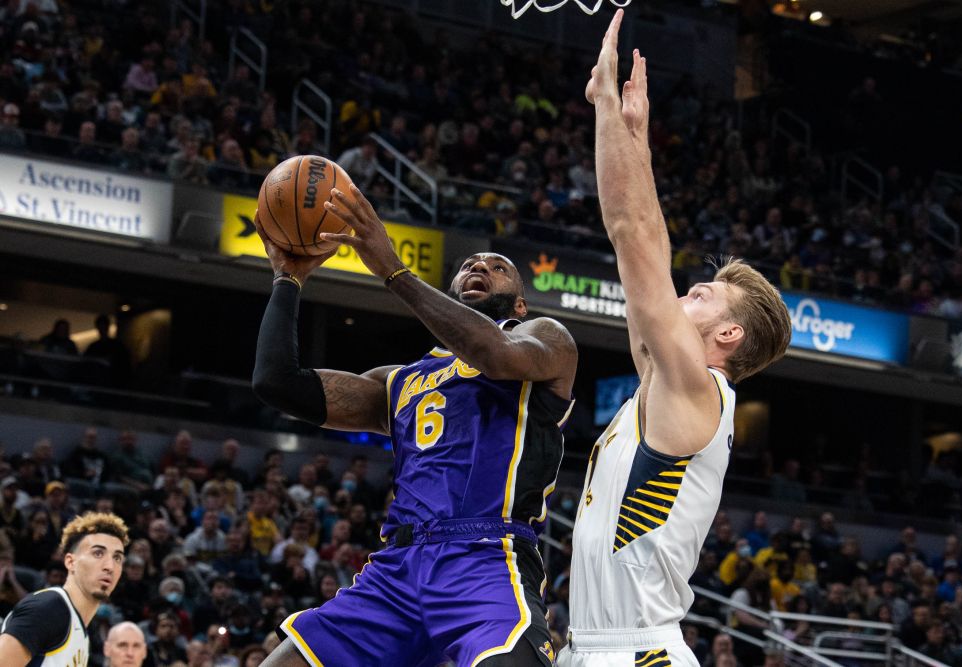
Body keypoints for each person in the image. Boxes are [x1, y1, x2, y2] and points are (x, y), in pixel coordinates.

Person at [252, 183, 577, 666]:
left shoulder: (544, 338)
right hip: (397, 570)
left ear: (521, 305)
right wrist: (287, 279)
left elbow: (494, 354)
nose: (479, 268)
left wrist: (392, 269)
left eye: (497, 267)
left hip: (486, 558)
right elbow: (277, 382)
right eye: (469, 265)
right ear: (448, 291)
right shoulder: (400, 382)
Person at [558, 11, 791, 667]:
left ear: (728, 333)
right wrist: (638, 144)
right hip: (593, 648)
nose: (685, 291)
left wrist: (603, 106)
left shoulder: (698, 392)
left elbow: (632, 239)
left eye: (703, 294)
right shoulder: (658, 384)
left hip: (639, 655)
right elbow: (650, 243)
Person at [0, 512, 129, 666]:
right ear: (70, 562)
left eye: (117, 558)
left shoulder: (81, 635)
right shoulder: (49, 607)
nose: (110, 566)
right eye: (98, 553)